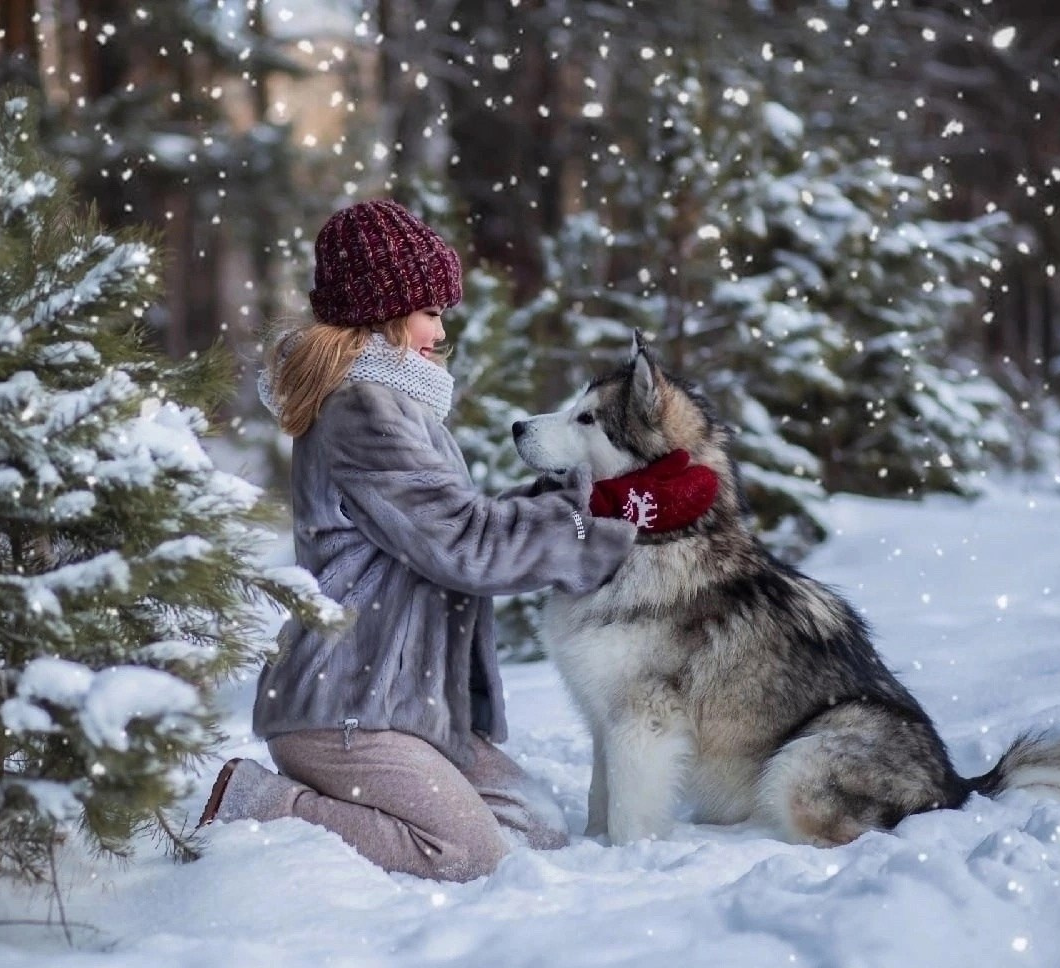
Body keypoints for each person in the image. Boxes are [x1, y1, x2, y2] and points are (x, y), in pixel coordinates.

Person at [197, 199, 711, 882]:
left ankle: (387, 805)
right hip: (350, 708)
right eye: (431, 311)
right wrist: (602, 519)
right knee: (469, 856)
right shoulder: (362, 412)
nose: (441, 331)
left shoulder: (391, 403)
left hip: (411, 707)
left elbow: (453, 523)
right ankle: (260, 802)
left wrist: (586, 502)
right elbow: (467, 546)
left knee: (537, 831)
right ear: (383, 311)